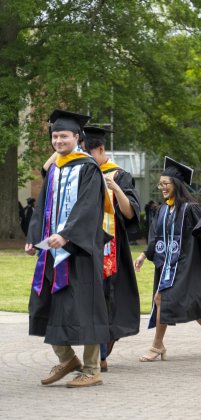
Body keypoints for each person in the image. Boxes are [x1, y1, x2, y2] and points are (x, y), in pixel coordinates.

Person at [25, 110, 111, 388]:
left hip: (79, 250)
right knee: (46, 303)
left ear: (77, 137)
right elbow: (42, 207)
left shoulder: (87, 168)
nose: (59, 140)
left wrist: (67, 235)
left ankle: (91, 369)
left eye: (64, 136)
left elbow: (88, 207)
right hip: (52, 250)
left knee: (85, 306)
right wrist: (33, 236)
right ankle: (66, 359)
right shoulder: (56, 169)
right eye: (55, 136)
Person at [134, 157, 201, 361]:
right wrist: (144, 255)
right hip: (167, 264)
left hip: (188, 263)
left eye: (166, 183)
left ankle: (157, 345)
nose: (162, 187)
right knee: (192, 302)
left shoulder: (191, 209)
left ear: (177, 185)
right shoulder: (163, 209)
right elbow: (155, 237)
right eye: (161, 183)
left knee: (161, 298)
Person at [69, 125, 141, 373]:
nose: (85, 158)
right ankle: (96, 352)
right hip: (86, 245)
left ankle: (100, 353)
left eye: (88, 153)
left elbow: (130, 213)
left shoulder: (119, 175)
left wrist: (116, 188)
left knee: (109, 299)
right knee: (90, 297)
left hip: (111, 247)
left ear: (100, 149)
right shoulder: (81, 173)